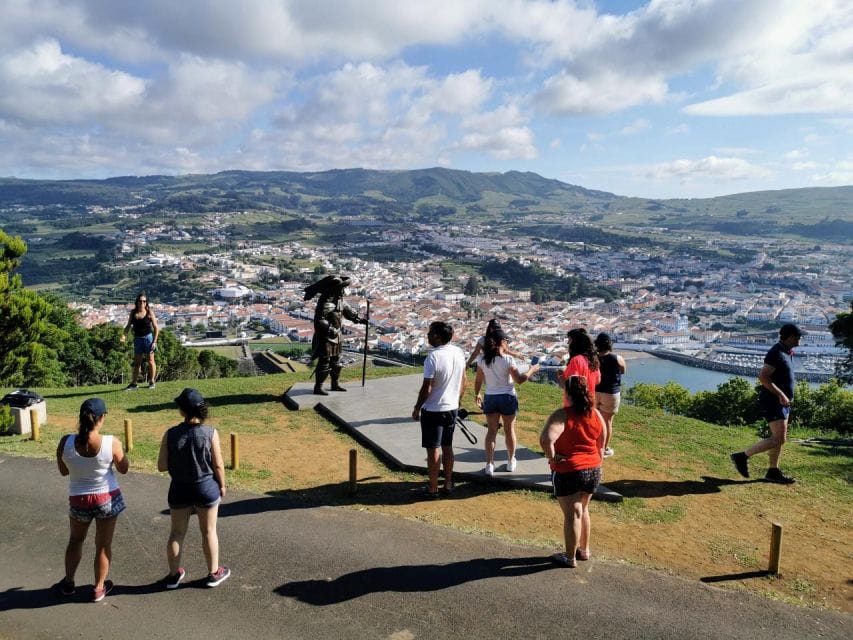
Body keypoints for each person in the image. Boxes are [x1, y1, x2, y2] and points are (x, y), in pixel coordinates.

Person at [54, 398, 129, 602]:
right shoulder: (110, 442)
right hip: (106, 497)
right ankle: (98, 587)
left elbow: (63, 471)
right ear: (101, 418)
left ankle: (69, 582)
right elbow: (124, 468)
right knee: (103, 545)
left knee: (75, 540)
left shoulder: (65, 441)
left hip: (78, 498)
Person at [157, 388, 230, 588]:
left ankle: (173, 576)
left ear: (181, 410)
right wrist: (222, 485)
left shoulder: (170, 434)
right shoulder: (210, 432)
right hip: (206, 487)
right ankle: (213, 573)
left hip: (179, 488)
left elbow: (162, 465)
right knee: (208, 531)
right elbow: (218, 465)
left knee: (176, 533)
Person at [540, 376, 605, 568]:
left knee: (572, 515)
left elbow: (546, 439)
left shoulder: (562, 414)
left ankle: (569, 558)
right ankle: (584, 550)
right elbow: (603, 441)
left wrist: (552, 457)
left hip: (569, 470)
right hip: (593, 469)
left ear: (567, 393)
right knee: (583, 509)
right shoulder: (595, 414)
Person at [730, 324, 802, 484]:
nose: (800, 340)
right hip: (773, 401)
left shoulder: (787, 352)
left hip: (782, 402)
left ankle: (773, 471)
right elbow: (763, 377)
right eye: (798, 337)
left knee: (777, 438)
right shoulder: (776, 352)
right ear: (790, 337)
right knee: (779, 439)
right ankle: (742, 456)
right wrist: (781, 395)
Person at [412, 321, 467, 498]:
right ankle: (448, 483)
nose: (427, 335)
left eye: (430, 333)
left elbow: (427, 387)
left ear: (437, 336)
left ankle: (433, 488)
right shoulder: (458, 352)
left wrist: (417, 407)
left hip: (433, 409)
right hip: (451, 407)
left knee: (433, 449)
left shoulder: (433, 357)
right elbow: (464, 379)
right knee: (447, 446)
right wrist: (457, 400)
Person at [474, 329, 540, 475]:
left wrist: (477, 393)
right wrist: (532, 370)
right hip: (507, 397)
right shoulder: (508, 360)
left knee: (491, 432)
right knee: (509, 431)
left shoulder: (482, 360)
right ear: (502, 342)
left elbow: (478, 380)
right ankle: (511, 461)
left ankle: (489, 464)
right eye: (506, 341)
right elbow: (520, 380)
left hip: (490, 397)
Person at [304, 275, 367, 395]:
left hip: (337, 336)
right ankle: (319, 387)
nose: (343, 291)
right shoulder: (325, 303)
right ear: (334, 289)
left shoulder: (340, 301)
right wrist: (330, 329)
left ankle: (335, 384)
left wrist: (361, 319)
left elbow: (350, 313)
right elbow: (319, 320)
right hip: (326, 337)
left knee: (336, 361)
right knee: (324, 362)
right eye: (341, 288)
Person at [594, 333, 627, 458]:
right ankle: (604, 448)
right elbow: (623, 371)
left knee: (594, 419)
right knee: (607, 422)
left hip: (595, 391)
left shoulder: (593, 358)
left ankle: (594, 444)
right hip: (610, 393)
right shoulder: (617, 358)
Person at [121, 292, 159, 390]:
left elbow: (156, 328)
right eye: (140, 301)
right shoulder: (133, 313)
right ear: (137, 302)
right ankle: (134, 383)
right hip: (137, 339)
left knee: (151, 361)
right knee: (137, 363)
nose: (142, 303)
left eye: (144, 301)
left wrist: (154, 342)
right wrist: (124, 335)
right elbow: (128, 325)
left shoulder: (149, 312)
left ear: (146, 303)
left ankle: (152, 381)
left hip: (148, 339)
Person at [560, 328, 600, 405]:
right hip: (589, 402)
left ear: (576, 343)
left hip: (575, 405)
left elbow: (570, 386)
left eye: (570, 340)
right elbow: (598, 381)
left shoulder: (576, 360)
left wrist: (560, 375)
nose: (568, 343)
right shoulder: (593, 360)